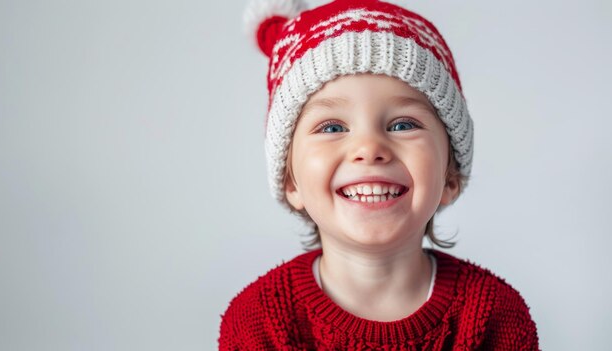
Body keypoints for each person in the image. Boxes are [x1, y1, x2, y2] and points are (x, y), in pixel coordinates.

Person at [219, 0, 540, 349]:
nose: (369, 147)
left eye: (403, 124)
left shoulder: (495, 315)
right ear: (290, 181)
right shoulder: (258, 321)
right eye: (332, 127)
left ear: (450, 176)